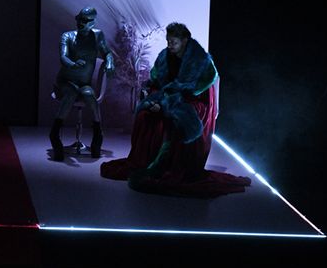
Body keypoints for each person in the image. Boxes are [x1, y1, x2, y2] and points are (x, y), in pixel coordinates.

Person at [100, 22, 250, 196]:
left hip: (194, 102)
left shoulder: (201, 61)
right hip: (170, 97)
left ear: (185, 41)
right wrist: (157, 100)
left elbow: (200, 92)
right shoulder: (165, 57)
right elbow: (157, 84)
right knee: (144, 115)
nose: (169, 45)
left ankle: (162, 167)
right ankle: (144, 162)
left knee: (177, 119)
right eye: (168, 41)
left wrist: (166, 104)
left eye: (174, 42)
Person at [49, 7, 115, 160]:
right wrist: (73, 64)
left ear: (92, 23)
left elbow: (107, 52)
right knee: (71, 93)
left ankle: (98, 133)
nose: (80, 23)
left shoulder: (97, 35)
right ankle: (55, 133)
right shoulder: (67, 36)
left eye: (85, 21)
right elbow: (63, 57)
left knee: (90, 95)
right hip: (65, 82)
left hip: (83, 83)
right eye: (79, 19)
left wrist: (110, 62)